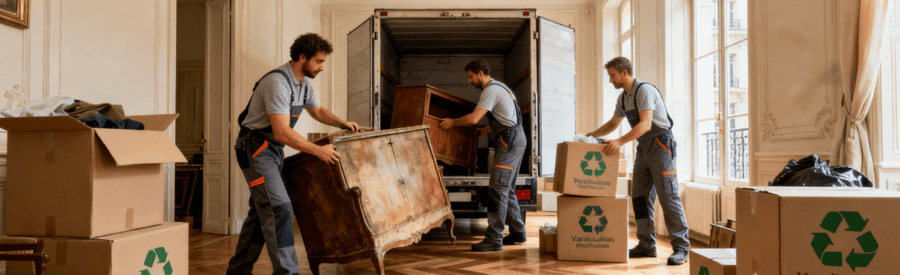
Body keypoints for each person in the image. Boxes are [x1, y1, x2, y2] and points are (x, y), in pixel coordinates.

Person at [227, 33, 359, 275]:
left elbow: (317, 111)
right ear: (302, 57)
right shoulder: (277, 83)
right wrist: (318, 151)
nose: (321, 67)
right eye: (319, 61)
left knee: (260, 209)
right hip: (254, 154)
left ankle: (237, 271)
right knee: (280, 208)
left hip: (271, 153)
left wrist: (342, 123)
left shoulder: (303, 84)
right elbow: (281, 132)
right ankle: (288, 272)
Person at [586, 56, 690, 265]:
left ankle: (681, 248)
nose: (610, 80)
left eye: (612, 75)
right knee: (640, 197)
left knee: (668, 196)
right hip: (644, 148)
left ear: (624, 73)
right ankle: (646, 245)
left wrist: (620, 142)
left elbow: (645, 125)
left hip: (661, 145)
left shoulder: (644, 91)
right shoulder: (623, 98)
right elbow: (612, 124)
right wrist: (590, 136)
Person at [440, 60, 527, 252]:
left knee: (497, 190)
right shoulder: (501, 87)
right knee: (507, 189)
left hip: (509, 141)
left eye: (471, 76)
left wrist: (452, 122)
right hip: (515, 138)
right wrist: (485, 131)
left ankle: (494, 239)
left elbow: (472, 118)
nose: (470, 80)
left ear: (480, 73)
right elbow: (506, 117)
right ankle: (518, 233)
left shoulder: (490, 90)